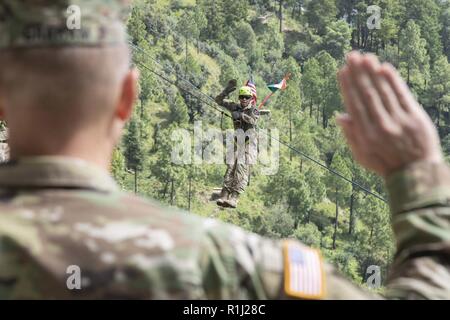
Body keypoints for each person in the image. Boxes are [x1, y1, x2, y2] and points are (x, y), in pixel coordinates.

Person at [0, 0, 449, 300]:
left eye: (251, 97)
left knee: (242, 168)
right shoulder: (224, 264)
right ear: (126, 99)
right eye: (249, 97)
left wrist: (257, 107)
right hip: (240, 140)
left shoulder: (252, 111)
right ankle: (231, 192)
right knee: (236, 169)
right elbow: (227, 107)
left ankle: (234, 190)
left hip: (248, 141)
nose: (249, 100)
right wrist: (418, 176)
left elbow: (254, 112)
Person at [214, 82, 260, 208]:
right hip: (237, 141)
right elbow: (218, 101)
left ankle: (234, 197)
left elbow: (253, 120)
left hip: (249, 143)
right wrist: (226, 91)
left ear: (251, 98)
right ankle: (224, 194)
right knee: (230, 167)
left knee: (241, 167)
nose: (244, 100)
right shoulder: (234, 106)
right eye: (242, 97)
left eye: (247, 97)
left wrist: (241, 115)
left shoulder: (254, 109)